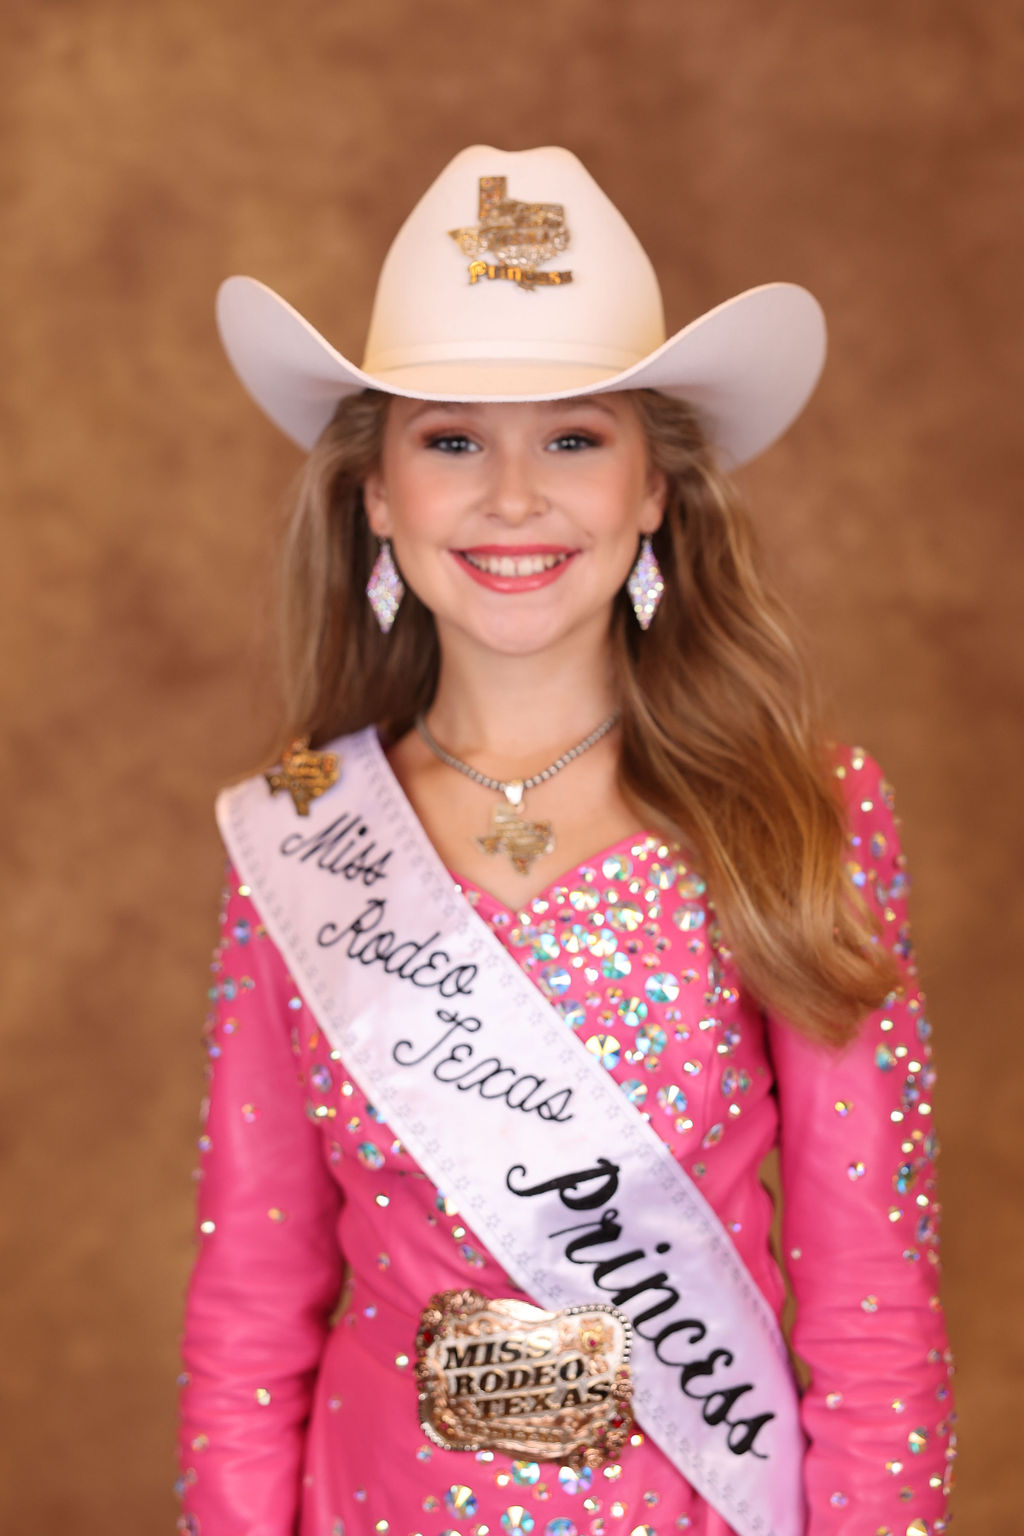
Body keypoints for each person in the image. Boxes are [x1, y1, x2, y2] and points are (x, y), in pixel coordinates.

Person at [177, 146, 955, 1536]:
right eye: (454, 439)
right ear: (376, 492)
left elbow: (875, 1300)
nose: (515, 498)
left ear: (654, 490)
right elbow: (247, 1313)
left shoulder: (800, 808)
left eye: (576, 437)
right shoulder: (300, 830)